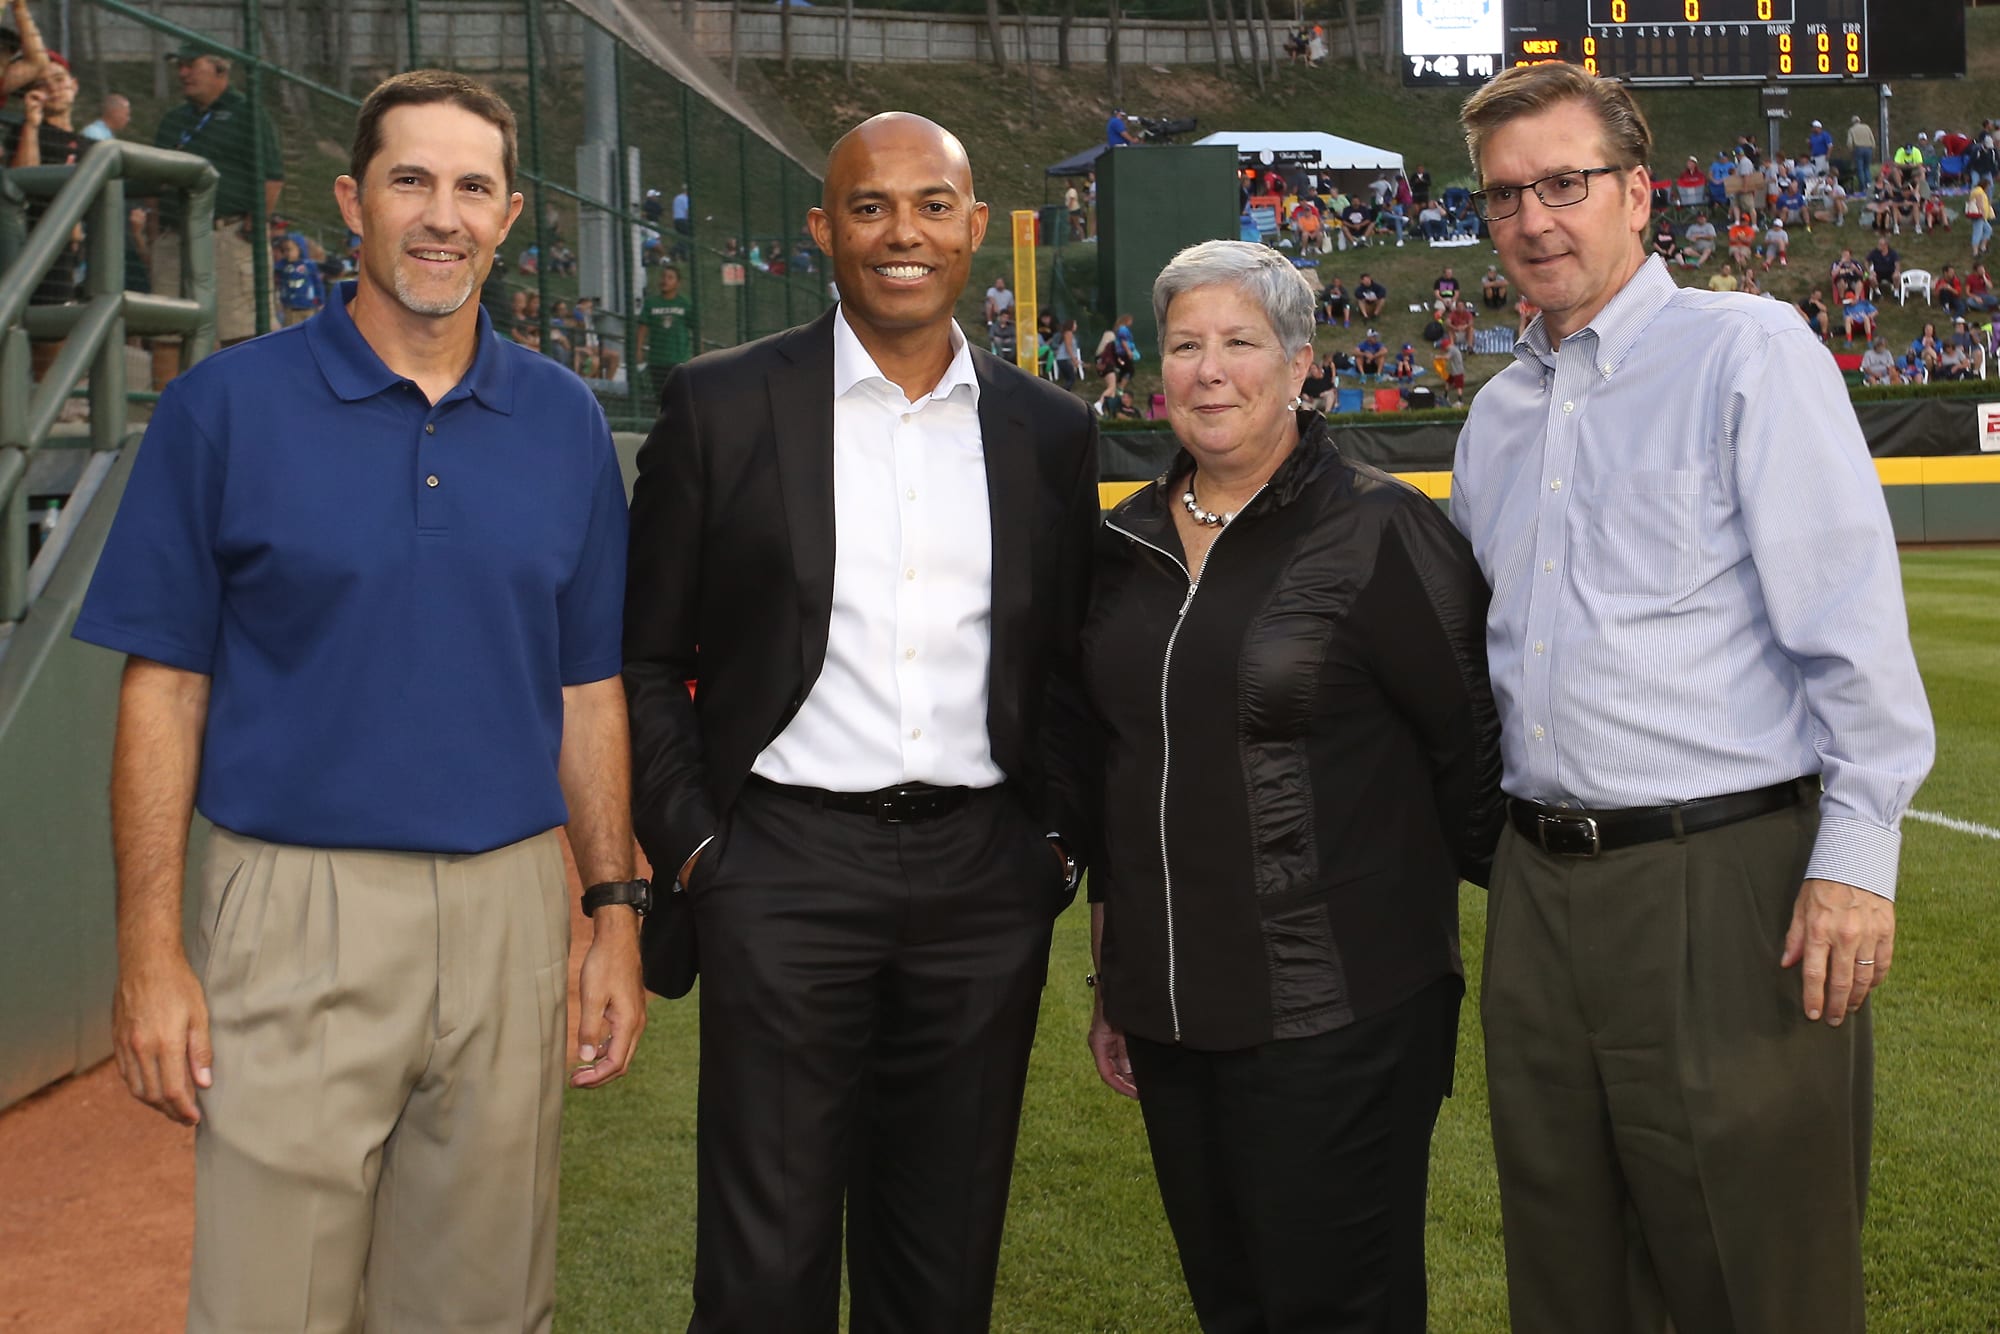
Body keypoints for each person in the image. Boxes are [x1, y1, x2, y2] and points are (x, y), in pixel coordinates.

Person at [72, 70, 645, 1332]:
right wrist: (149, 948)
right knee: (270, 1304)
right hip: (292, 903)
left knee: (484, 1308)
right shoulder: (223, 407)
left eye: (473, 188)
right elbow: (162, 693)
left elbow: (586, 685)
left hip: (506, 905)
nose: (442, 216)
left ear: (507, 218)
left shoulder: (561, 422)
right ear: (352, 202)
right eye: (411, 181)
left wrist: (612, 906)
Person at [1454, 62, 1934, 1334]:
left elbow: (1850, 627)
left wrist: (1856, 859)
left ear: (1636, 192)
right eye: (1505, 195)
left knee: (1754, 1272)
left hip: (1722, 877)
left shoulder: (1744, 349)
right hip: (1538, 886)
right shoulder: (1493, 417)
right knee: (1565, 1268)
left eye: (1565, 182)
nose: (1535, 218)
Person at [622, 111, 1097, 1334]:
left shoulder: (1047, 429)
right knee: (761, 1267)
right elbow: (645, 655)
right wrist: (698, 851)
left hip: (981, 874)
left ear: (975, 229)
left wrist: (1047, 845)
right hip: (780, 868)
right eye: (871, 207)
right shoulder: (721, 404)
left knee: (940, 1263)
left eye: (932, 206)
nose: (903, 234)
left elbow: (1062, 665)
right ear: (824, 226)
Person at [1081, 238, 1499, 1334]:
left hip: (1339, 1016)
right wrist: (1117, 971)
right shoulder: (1118, 544)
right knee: (1232, 1302)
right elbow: (1119, 771)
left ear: (1303, 364)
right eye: (1182, 344)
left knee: (1334, 1308)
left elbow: (1470, 761)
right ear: (1152, 368)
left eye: (1238, 341)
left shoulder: (1379, 529)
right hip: (1172, 1012)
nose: (1207, 369)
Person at [148, 43, 285, 388]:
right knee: (166, 332)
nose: (183, 73)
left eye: (191, 64)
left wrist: (252, 227)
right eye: (180, 66)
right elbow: (152, 179)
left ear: (221, 70)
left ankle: (248, 417)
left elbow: (272, 177)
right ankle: (163, 418)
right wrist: (154, 232)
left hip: (228, 233)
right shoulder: (173, 119)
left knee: (241, 332)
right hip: (173, 237)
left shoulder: (248, 114)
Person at [638, 263, 695, 410]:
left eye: (670, 278)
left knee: (679, 396)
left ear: (678, 283)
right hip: (657, 360)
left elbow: (695, 328)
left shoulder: (684, 304)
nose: (665, 280)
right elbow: (643, 328)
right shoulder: (651, 303)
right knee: (661, 398)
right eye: (663, 277)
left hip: (679, 359)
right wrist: (638, 350)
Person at [271, 233, 322, 324]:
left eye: (290, 249)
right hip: (290, 308)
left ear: (300, 248)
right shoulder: (282, 265)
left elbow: (317, 283)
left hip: (308, 306)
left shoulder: (309, 265)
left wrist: (321, 301)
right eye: (284, 250)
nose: (287, 253)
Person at [1846, 114, 1875, 187]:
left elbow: (1849, 143)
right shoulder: (1866, 127)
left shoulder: (1851, 129)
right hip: (1868, 148)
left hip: (1858, 149)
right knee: (1867, 168)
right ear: (1859, 121)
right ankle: (1869, 186)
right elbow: (1872, 139)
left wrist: (1851, 151)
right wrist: (1872, 147)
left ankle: (1863, 187)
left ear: (1852, 122)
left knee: (1860, 169)